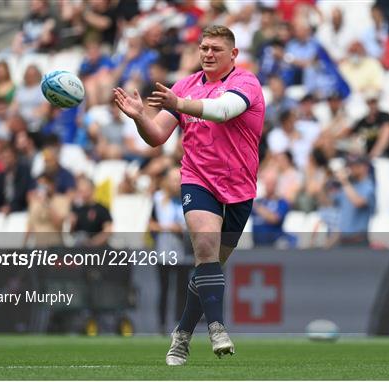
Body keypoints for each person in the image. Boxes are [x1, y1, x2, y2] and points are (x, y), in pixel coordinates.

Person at [113, 25, 264, 365]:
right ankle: (217, 328)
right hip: (198, 179)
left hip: (239, 186)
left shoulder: (246, 83)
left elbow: (223, 111)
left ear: (233, 54)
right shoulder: (186, 85)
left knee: (208, 268)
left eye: (216, 49)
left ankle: (181, 334)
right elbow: (156, 137)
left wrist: (179, 103)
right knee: (206, 247)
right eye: (204, 48)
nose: (208, 54)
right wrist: (140, 118)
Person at [148, 166, 189, 335]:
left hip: (182, 251)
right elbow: (149, 223)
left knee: (182, 291)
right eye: (173, 179)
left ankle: (181, 325)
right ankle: (162, 325)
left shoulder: (186, 200)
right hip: (164, 250)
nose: (177, 183)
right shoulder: (157, 200)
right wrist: (166, 227)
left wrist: (181, 229)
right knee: (164, 289)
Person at [329, 155, 376, 246]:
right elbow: (328, 202)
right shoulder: (349, 186)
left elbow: (358, 202)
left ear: (364, 167)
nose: (351, 168)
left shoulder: (368, 186)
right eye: (349, 165)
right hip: (342, 240)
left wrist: (344, 182)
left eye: (355, 166)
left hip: (358, 240)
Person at [251, 167, 292, 247]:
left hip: (274, 245)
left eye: (271, 183)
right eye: (267, 183)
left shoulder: (282, 202)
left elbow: (275, 219)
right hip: (255, 244)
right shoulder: (258, 201)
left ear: (276, 184)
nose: (268, 186)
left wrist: (256, 207)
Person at [346, 92, 389, 159]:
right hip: (365, 159)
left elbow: (386, 134)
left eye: (374, 101)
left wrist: (373, 155)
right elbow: (349, 134)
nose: (372, 104)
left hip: (382, 157)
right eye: (369, 102)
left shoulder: (384, 116)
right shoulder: (362, 121)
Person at [69, 176, 112, 247]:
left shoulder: (101, 209)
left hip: (98, 249)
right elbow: (71, 233)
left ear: (91, 190)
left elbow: (108, 230)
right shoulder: (76, 208)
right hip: (79, 247)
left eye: (84, 190)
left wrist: (92, 243)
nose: (82, 194)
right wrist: (71, 224)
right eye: (80, 191)